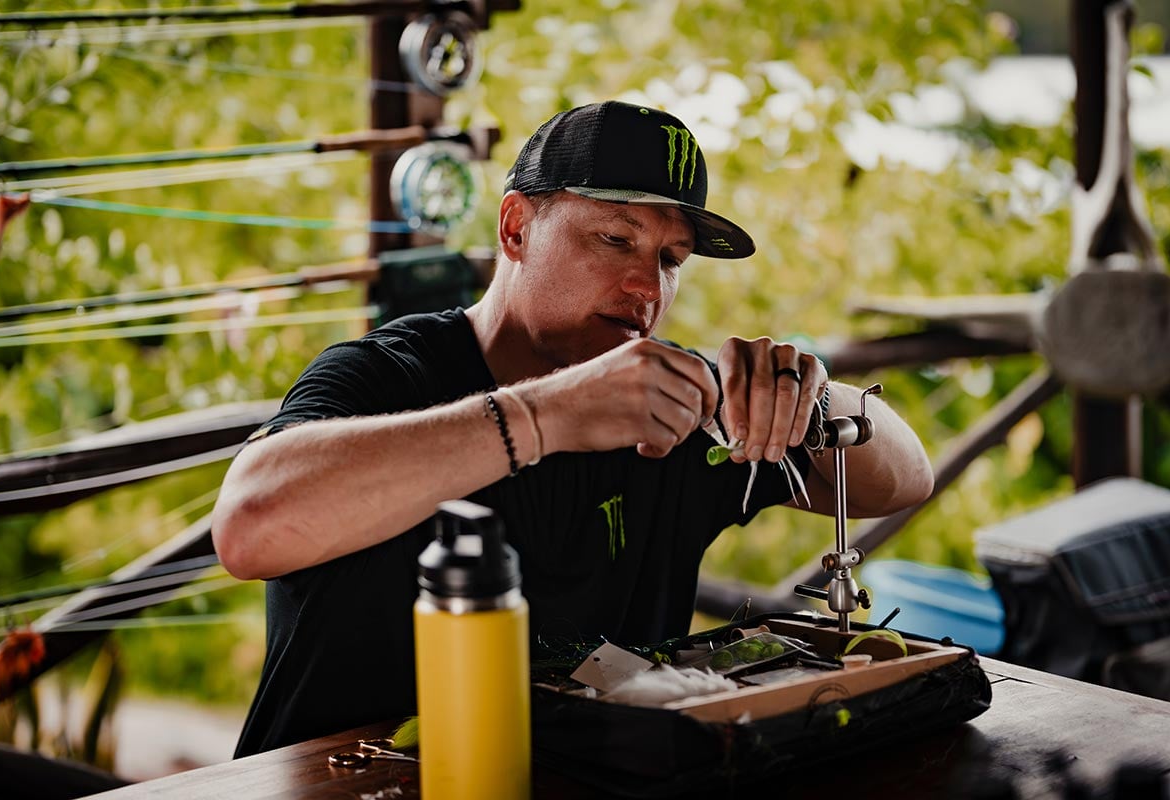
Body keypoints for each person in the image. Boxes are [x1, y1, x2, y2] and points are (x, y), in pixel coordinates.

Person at [212, 101, 934, 756]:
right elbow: (249, 528)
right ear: (516, 228)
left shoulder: (678, 406)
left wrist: (805, 399)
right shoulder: (387, 374)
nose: (648, 288)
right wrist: (543, 415)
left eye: (670, 260)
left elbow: (903, 478)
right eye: (616, 239)